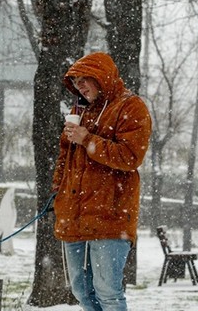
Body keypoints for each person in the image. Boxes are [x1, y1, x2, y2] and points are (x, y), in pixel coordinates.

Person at [51, 52, 152, 311]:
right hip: (73, 215)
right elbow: (66, 158)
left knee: (108, 292)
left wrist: (88, 139)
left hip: (110, 216)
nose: (80, 86)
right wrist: (58, 192)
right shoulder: (80, 112)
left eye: (86, 79)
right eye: (76, 81)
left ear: (103, 78)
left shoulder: (131, 107)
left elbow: (130, 157)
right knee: (81, 290)